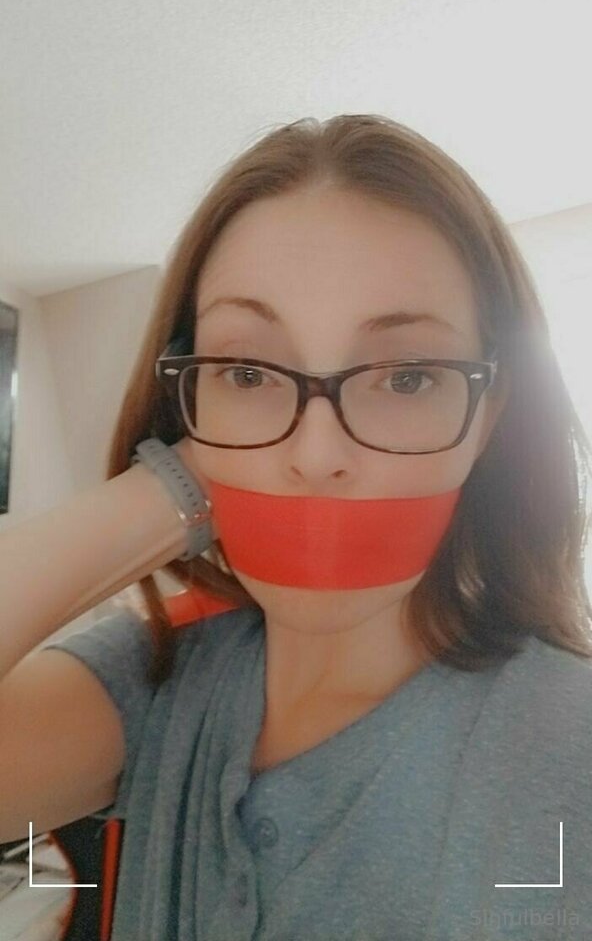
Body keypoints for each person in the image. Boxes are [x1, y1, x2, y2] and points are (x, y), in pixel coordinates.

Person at [1, 114, 592, 941]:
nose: (317, 456)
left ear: (489, 417)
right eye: (247, 371)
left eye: (408, 376)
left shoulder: (570, 745)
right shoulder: (147, 682)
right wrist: (169, 491)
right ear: (188, 400)